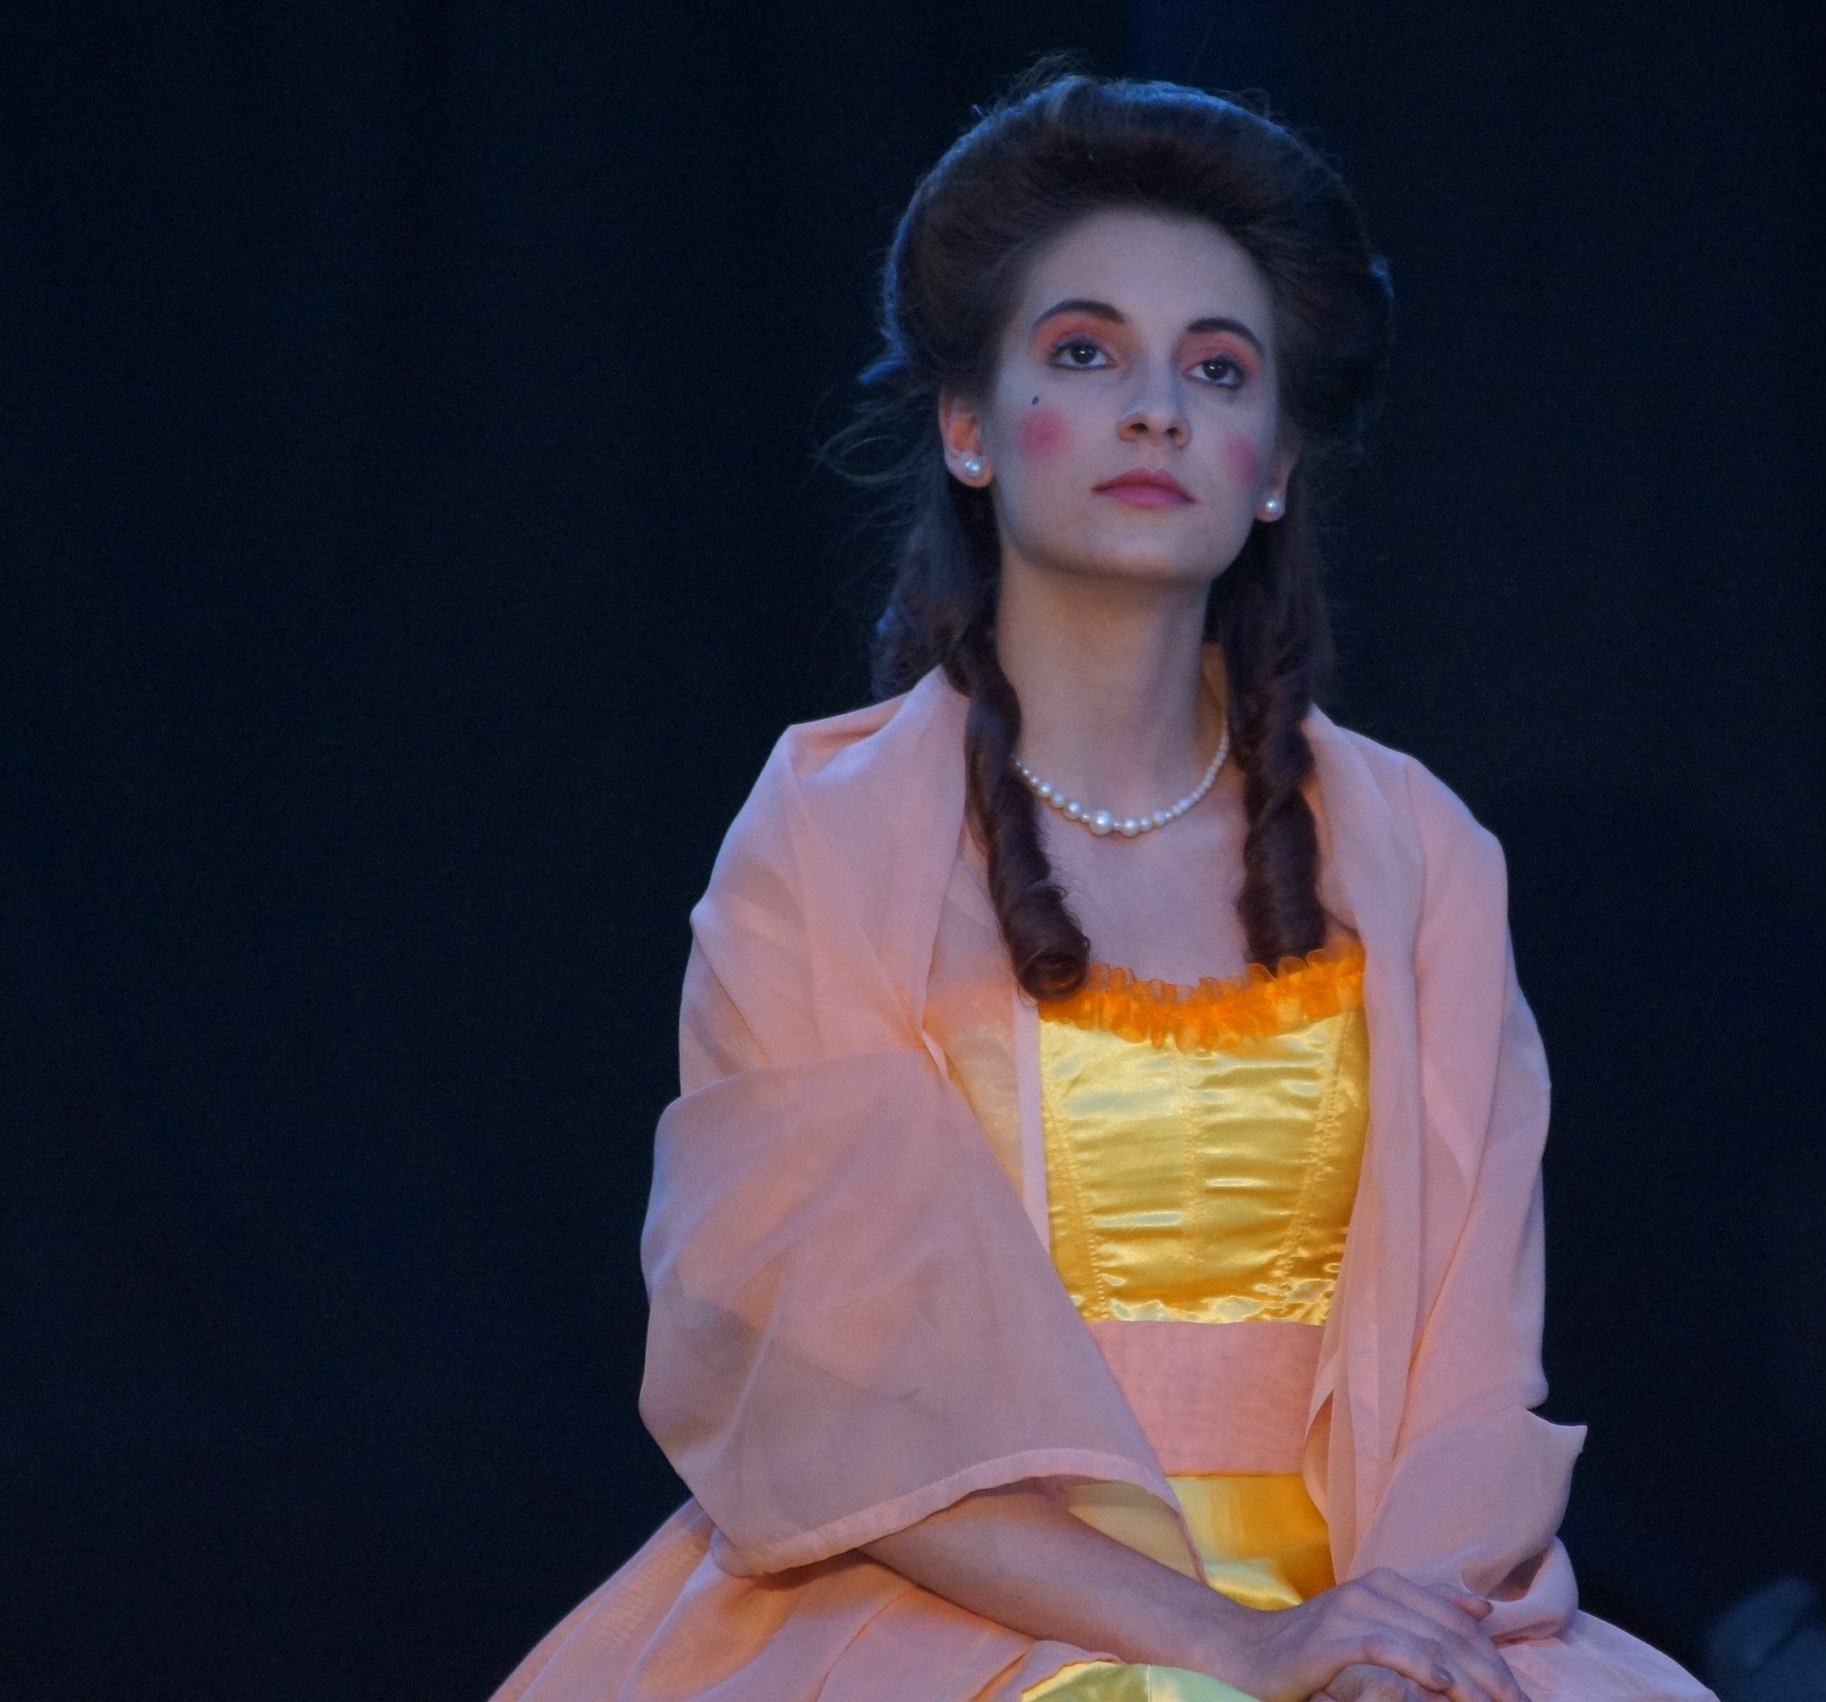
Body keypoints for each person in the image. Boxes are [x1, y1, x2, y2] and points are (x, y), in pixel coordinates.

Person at [493, 70, 1709, 1702]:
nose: (1156, 410)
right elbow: (825, 1388)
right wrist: (1228, 1641)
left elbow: (1467, 1380)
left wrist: (1374, 1647)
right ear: (970, 426)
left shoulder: (1416, 850)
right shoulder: (828, 839)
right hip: (946, 1611)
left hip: (1362, 1603)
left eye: (1217, 369)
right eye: (1085, 352)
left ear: (1273, 461)